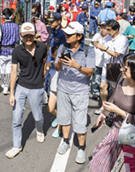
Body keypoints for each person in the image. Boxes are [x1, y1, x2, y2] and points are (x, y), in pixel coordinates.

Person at [89, 54, 135, 172]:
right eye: (122, 66)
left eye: (125, 68)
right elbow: (114, 97)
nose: (121, 70)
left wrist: (118, 111)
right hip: (116, 131)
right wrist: (104, 113)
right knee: (99, 165)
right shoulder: (121, 78)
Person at [55, 22, 95, 164]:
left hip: (80, 90)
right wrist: (59, 62)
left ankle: (81, 148)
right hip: (63, 88)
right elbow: (57, 68)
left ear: (79, 36)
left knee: (80, 121)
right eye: (65, 33)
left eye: (69, 34)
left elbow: (90, 71)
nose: (66, 36)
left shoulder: (88, 50)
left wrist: (75, 65)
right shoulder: (62, 47)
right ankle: (65, 141)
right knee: (64, 117)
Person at [6, 22, 48, 159]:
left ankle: (39, 129)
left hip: (36, 87)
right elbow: (13, 72)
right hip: (21, 86)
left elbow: (45, 63)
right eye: (25, 36)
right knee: (16, 119)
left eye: (31, 35)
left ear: (35, 35)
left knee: (38, 116)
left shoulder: (42, 47)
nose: (28, 39)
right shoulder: (17, 51)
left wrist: (43, 81)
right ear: (21, 36)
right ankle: (17, 146)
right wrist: (12, 93)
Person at [93, 19, 128, 114]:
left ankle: (116, 107)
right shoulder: (108, 38)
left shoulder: (123, 40)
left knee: (115, 89)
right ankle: (104, 105)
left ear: (116, 29)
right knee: (102, 86)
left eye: (109, 30)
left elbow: (116, 54)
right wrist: (98, 45)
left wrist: (104, 48)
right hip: (106, 65)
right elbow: (103, 47)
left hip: (116, 67)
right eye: (106, 29)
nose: (107, 32)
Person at [0, 8, 20, 95]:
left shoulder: (0, 27)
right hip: (13, 50)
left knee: (2, 68)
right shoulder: (16, 26)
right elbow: (19, 39)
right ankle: (6, 86)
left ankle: (5, 85)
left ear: (3, 16)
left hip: (3, 50)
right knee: (9, 68)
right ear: (12, 16)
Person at [90, 22, 111, 101]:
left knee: (105, 79)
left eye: (105, 28)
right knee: (96, 78)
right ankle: (96, 92)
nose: (103, 30)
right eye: (101, 28)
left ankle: (104, 92)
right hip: (97, 61)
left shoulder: (110, 37)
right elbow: (91, 47)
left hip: (106, 62)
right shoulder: (96, 35)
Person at [46, 46, 62, 138]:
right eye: (56, 55)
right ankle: (59, 117)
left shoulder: (65, 65)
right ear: (52, 55)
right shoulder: (50, 64)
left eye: (60, 55)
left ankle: (58, 129)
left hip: (62, 91)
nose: (59, 57)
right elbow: (45, 76)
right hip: (52, 90)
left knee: (61, 109)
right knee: (50, 109)